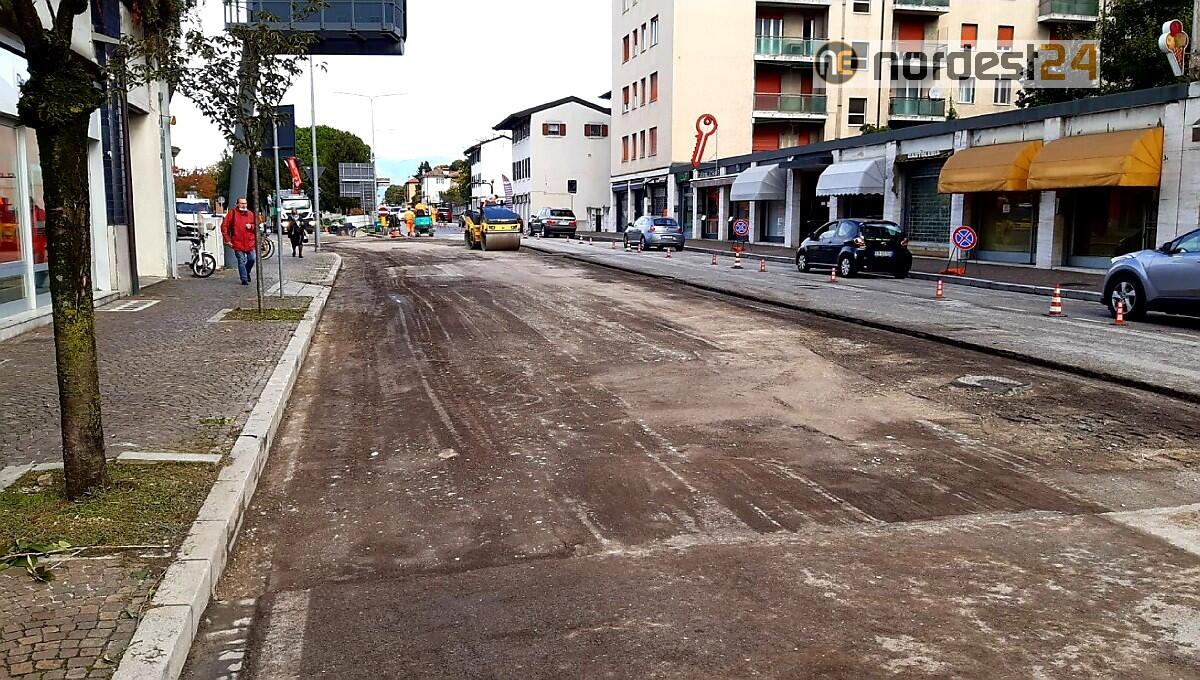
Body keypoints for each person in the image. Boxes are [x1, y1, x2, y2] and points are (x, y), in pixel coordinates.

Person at [222, 197, 257, 285]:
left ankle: (246, 272)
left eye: (245, 203)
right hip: (237, 242)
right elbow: (224, 226)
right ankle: (244, 278)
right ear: (237, 204)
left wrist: (252, 226)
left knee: (252, 259)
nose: (244, 205)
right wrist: (227, 239)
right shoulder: (232, 214)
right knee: (241, 260)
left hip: (249, 242)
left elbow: (257, 226)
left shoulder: (250, 214)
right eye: (241, 203)